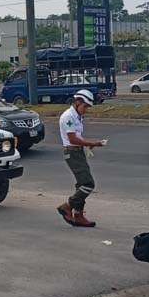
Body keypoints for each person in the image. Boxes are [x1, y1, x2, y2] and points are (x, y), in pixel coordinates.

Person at [56, 89, 106, 228]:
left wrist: (88, 145)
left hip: (78, 152)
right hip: (72, 153)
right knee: (88, 184)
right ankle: (67, 206)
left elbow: (77, 136)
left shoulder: (77, 116)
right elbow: (72, 139)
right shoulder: (68, 117)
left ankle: (78, 215)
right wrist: (91, 143)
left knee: (81, 184)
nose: (86, 110)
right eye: (85, 106)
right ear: (77, 103)